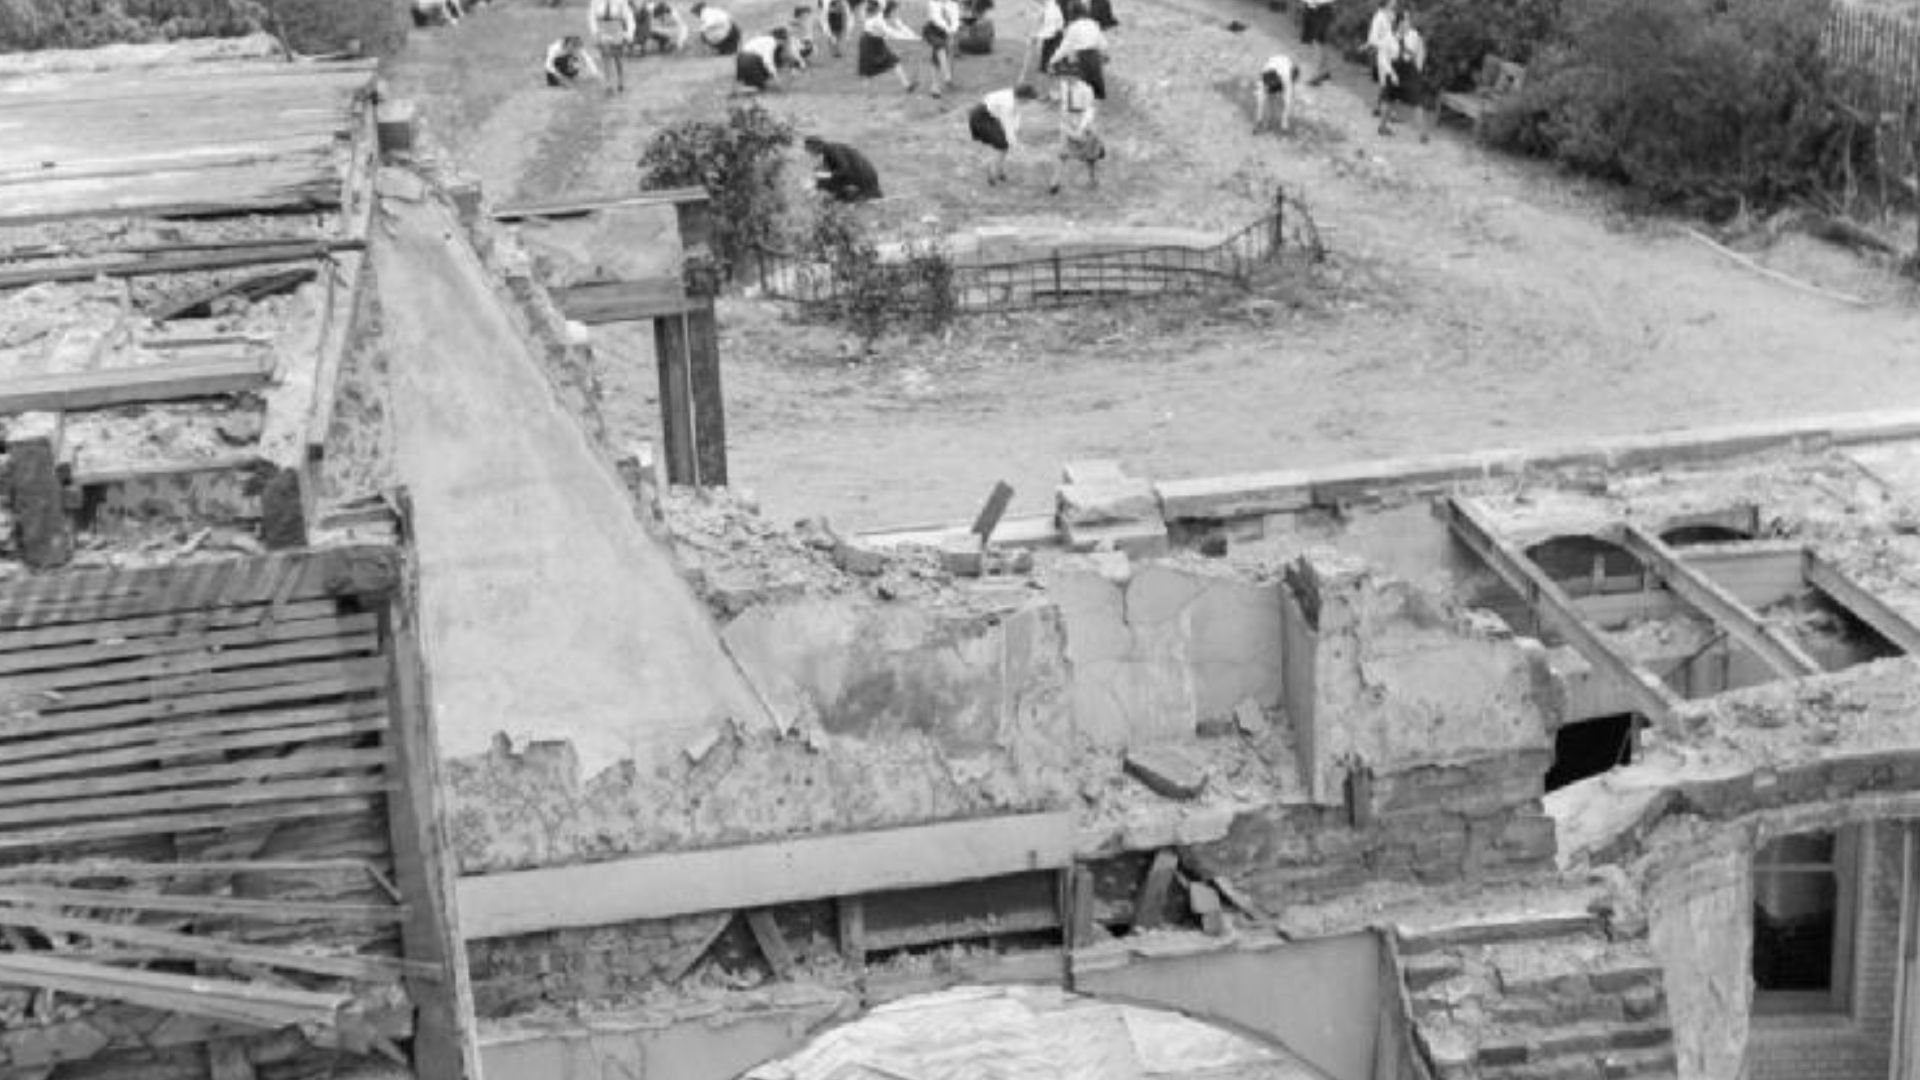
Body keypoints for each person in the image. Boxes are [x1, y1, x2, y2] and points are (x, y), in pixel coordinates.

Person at [1048, 57, 1102, 193]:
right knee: (1062, 152)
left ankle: (1093, 178)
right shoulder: (1063, 85)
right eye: (1064, 75)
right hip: (1067, 120)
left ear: (1077, 75)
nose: (1065, 77)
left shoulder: (1086, 89)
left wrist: (1082, 128)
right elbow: (1058, 99)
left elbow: (1090, 110)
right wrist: (1054, 95)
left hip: (1083, 120)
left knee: (1090, 155)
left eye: (1068, 75)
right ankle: (1055, 183)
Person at [969, 83, 1038, 183]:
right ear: (1022, 97)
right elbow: (1007, 125)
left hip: (991, 115)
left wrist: (1016, 130)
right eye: (1028, 99)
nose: (1029, 102)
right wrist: (1014, 143)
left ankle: (999, 171)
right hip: (981, 117)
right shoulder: (1008, 104)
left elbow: (1016, 114)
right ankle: (992, 174)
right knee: (1002, 144)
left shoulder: (1015, 98)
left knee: (1004, 144)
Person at [1378, 10, 1430, 140]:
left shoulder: (1414, 35)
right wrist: (1391, 73)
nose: (1409, 23)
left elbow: (1421, 50)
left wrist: (1418, 67)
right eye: (1406, 20)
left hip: (1409, 70)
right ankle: (1382, 127)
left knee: (1418, 99)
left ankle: (1423, 133)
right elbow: (1383, 59)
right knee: (1389, 98)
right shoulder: (1388, 37)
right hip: (1394, 68)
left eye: (1409, 20)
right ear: (1399, 23)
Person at [857, 0, 919, 92]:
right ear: (888, 10)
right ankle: (867, 99)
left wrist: (913, 36)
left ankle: (908, 86)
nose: (895, 13)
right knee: (867, 72)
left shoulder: (884, 15)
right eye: (894, 11)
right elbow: (890, 33)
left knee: (894, 61)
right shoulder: (878, 18)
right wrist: (910, 38)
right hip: (868, 43)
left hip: (877, 41)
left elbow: (899, 25)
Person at [1053, 0, 1106, 99]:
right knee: (1097, 87)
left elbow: (1065, 47)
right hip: (1095, 56)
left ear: (1072, 13)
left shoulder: (1073, 27)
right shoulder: (1093, 24)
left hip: (1082, 57)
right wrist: (1103, 54)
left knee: (1084, 88)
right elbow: (1103, 43)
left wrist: (1053, 60)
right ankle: (1097, 110)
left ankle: (1085, 109)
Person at [805, 136, 883, 201]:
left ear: (816, 148)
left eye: (810, 152)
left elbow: (843, 172)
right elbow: (834, 175)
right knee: (826, 188)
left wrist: (819, 181)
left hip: (865, 182)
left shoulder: (833, 150)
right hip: (858, 180)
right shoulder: (830, 152)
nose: (810, 155)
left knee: (828, 189)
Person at [589, 0, 637, 93]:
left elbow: (628, 17)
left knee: (618, 57)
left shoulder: (621, 2)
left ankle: (620, 80)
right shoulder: (595, 1)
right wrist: (595, 32)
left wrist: (629, 33)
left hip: (616, 29)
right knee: (606, 56)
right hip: (602, 30)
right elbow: (592, 17)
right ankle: (608, 83)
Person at [736, 28, 802, 92]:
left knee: (755, 82)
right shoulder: (771, 43)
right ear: (781, 40)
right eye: (784, 42)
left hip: (741, 59)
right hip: (749, 59)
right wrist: (775, 76)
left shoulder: (767, 39)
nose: (783, 44)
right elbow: (767, 61)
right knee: (761, 87)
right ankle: (741, 91)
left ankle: (747, 85)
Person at [1252, 52, 1299, 134]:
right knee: (1266, 99)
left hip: (1285, 63)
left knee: (1285, 99)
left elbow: (1287, 100)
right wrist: (1258, 121)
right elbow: (1260, 101)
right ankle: (1267, 120)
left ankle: (1280, 122)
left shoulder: (1286, 77)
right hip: (1273, 63)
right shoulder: (1263, 79)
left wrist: (1284, 125)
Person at [921, 0, 961, 97]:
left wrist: (952, 31)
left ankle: (934, 88)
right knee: (940, 47)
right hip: (931, 30)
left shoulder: (953, 4)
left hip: (945, 32)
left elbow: (955, 19)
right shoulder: (932, 3)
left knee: (936, 59)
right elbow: (936, 19)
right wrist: (948, 30)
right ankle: (947, 76)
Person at [1025, 0, 1064, 89]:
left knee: (1051, 66)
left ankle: (1054, 93)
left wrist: (1036, 37)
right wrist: (1034, 34)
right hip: (1050, 38)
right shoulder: (1047, 6)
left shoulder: (1051, 9)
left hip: (1055, 39)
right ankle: (1045, 92)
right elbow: (1040, 20)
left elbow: (1050, 31)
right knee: (1043, 67)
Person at [1297, 0, 1336, 85]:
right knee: (1311, 40)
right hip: (1309, 7)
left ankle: (1317, 74)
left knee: (1317, 40)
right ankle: (1324, 70)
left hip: (1323, 7)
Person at [1365, 0, 1397, 86]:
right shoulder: (1378, 17)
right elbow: (1372, 38)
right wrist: (1384, 44)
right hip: (1384, 53)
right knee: (1386, 80)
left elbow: (1392, 33)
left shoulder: (1391, 15)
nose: (1395, 2)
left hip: (1393, 52)